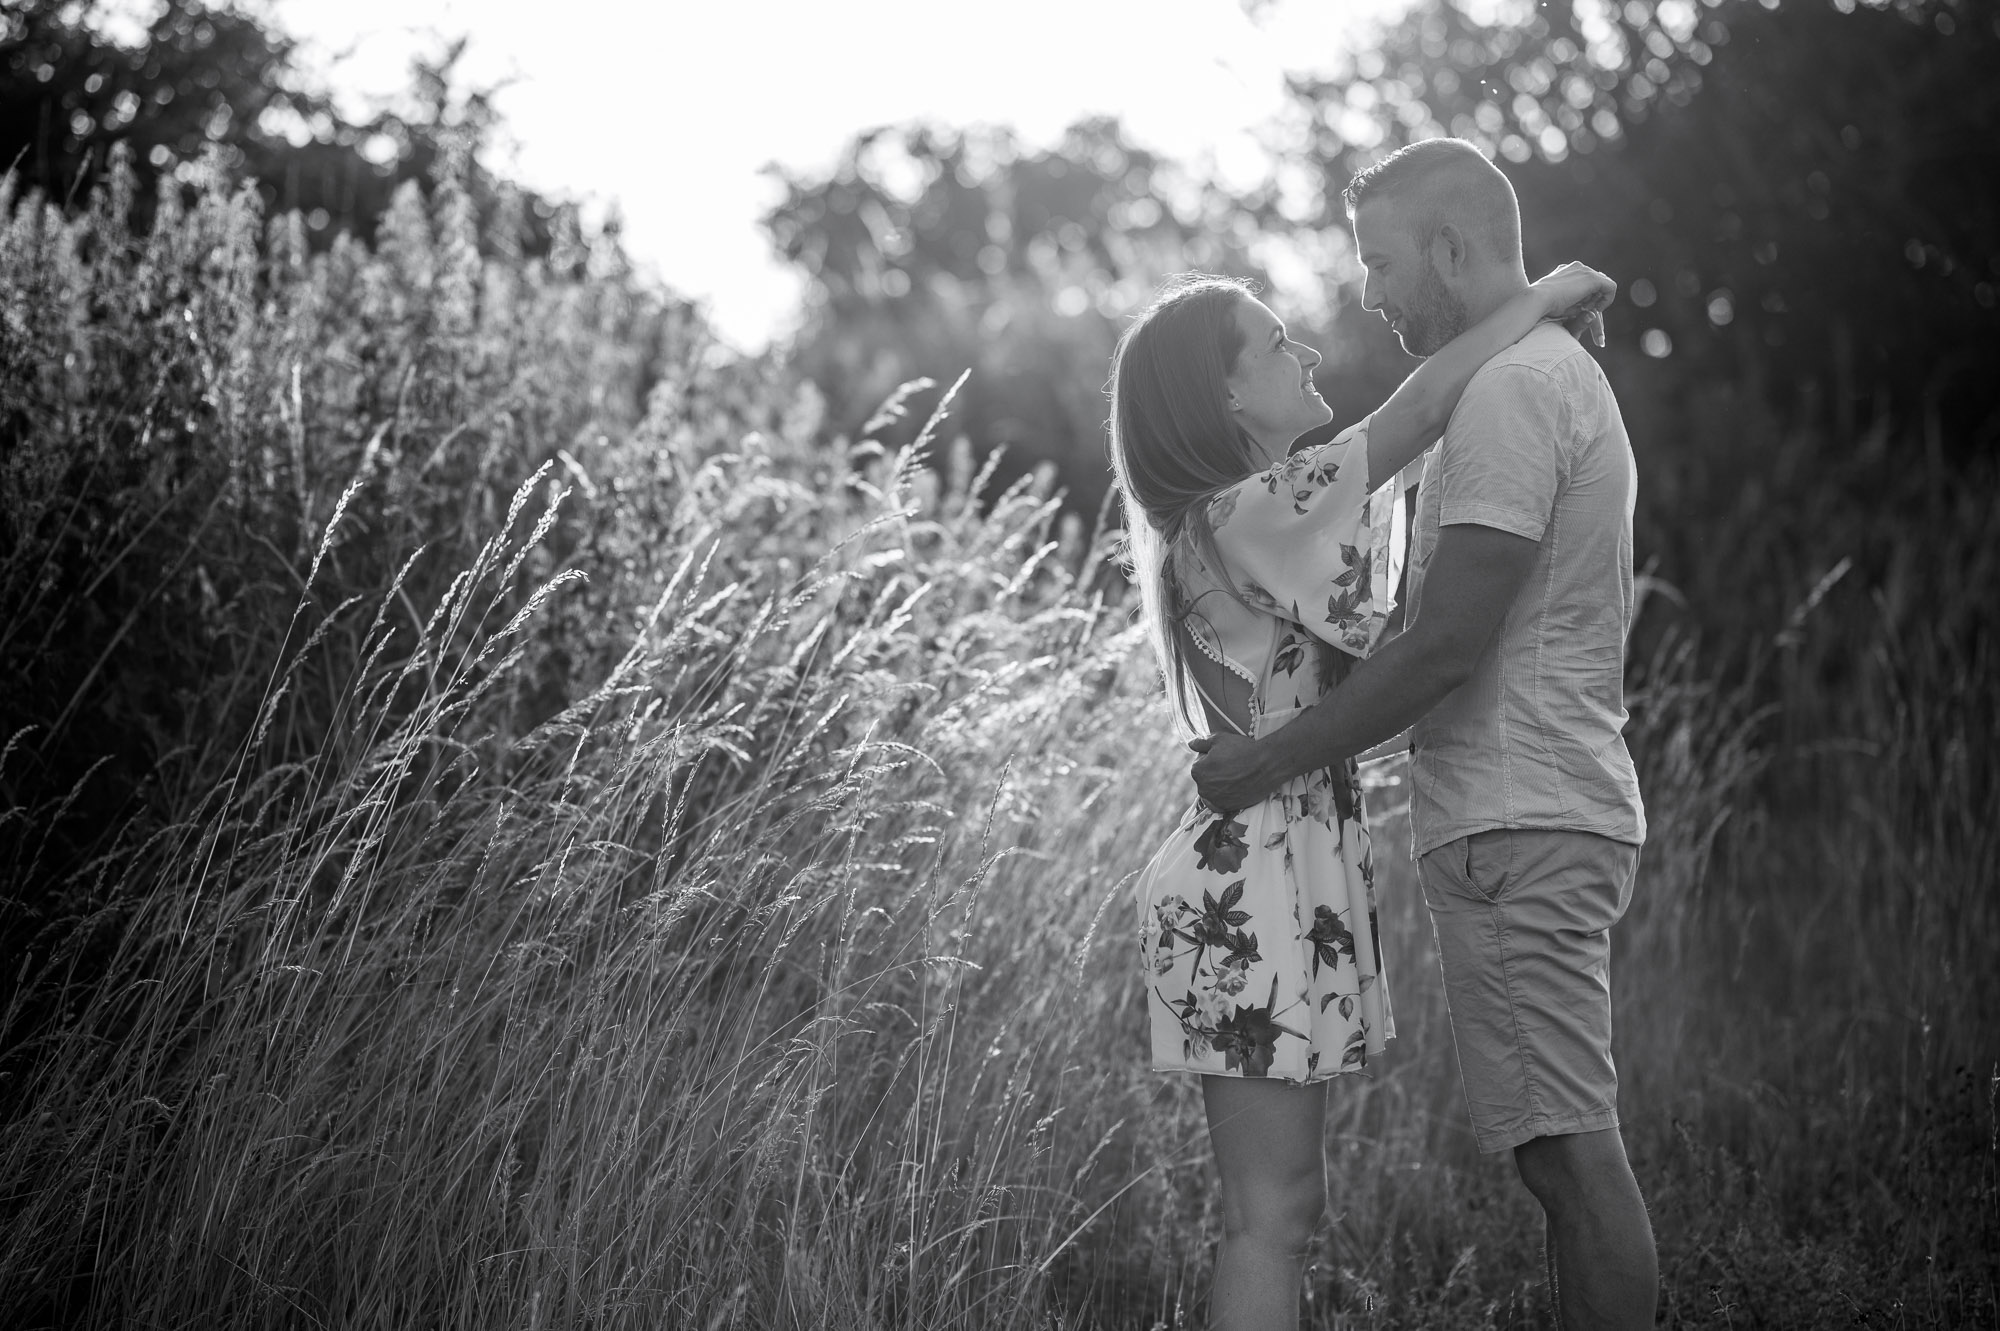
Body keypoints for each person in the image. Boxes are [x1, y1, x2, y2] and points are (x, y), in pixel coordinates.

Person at [1188, 136, 1657, 1329]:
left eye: (1379, 261)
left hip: (1505, 812)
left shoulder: (1508, 390)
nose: (1359, 298)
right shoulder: (1260, 506)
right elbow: (1407, 418)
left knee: (1559, 1154)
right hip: (1324, 857)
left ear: (1448, 250)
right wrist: (1548, 291)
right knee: (1287, 1206)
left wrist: (1272, 754)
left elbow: (1443, 643)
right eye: (1274, 344)